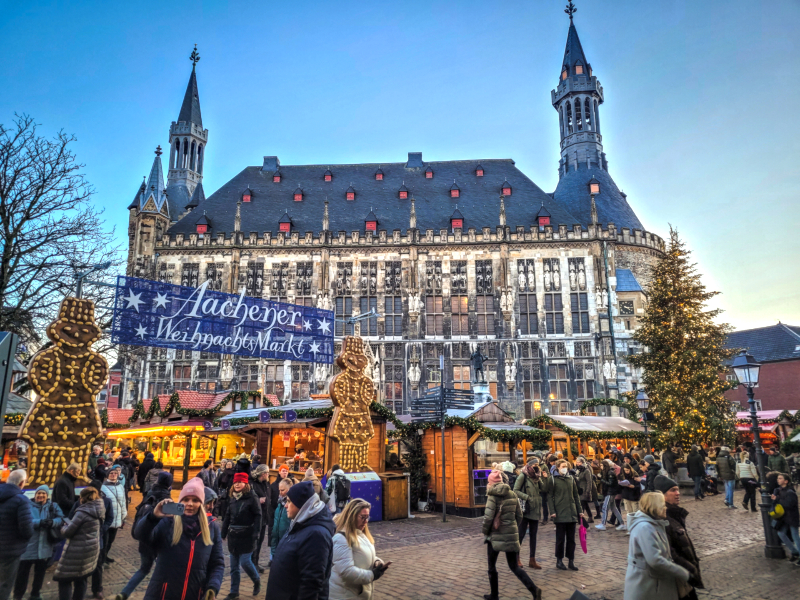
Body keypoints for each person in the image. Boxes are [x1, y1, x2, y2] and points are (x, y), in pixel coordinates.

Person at [134, 478, 224, 600]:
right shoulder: (167, 522)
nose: (190, 504)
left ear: (202, 503)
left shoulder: (212, 528)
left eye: (195, 500)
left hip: (195, 594)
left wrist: (212, 588)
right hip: (162, 594)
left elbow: (217, 563)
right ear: (179, 502)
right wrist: (152, 517)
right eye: (186, 499)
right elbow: (141, 535)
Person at [265, 480, 335, 600]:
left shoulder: (316, 535)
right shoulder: (300, 523)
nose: (286, 505)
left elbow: (311, 584)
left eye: (289, 501)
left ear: (302, 505)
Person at [481, 471, 541, 600]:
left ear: (491, 482)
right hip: (511, 534)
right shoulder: (512, 494)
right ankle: (534, 590)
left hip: (495, 535)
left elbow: (488, 518)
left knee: (492, 566)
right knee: (514, 566)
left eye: (488, 482)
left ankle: (494, 595)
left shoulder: (492, 496)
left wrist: (486, 532)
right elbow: (519, 515)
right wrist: (512, 527)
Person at [116, 472, 173, 600]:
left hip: (145, 541)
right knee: (161, 572)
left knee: (144, 569)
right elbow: (170, 523)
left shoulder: (149, 494)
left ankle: (125, 592)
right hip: (160, 542)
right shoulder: (167, 500)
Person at [624, 491, 690, 600]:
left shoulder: (655, 524)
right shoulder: (645, 527)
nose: (665, 508)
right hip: (648, 586)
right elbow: (655, 559)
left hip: (655, 583)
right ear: (655, 507)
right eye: (663, 505)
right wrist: (681, 572)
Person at [655, 476, 703, 600]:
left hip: (684, 579)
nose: (678, 493)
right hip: (678, 580)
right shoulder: (663, 519)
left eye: (678, 489)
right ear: (662, 495)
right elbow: (670, 553)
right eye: (673, 490)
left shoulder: (674, 515)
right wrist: (689, 569)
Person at [329, 499, 388, 600]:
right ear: (352, 516)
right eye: (362, 517)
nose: (366, 521)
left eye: (367, 517)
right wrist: (372, 575)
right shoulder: (341, 538)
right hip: (345, 595)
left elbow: (361, 554)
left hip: (355, 594)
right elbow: (347, 571)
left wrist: (376, 562)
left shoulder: (360, 533)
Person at [14, 484, 65, 600]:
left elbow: (61, 518)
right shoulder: (27, 505)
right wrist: (40, 522)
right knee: (23, 573)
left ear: (47, 495)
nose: (41, 495)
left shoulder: (53, 506)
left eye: (43, 494)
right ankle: (18, 595)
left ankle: (35, 594)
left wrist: (52, 522)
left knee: (40, 573)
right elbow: (24, 521)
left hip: (45, 546)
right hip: (28, 546)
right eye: (39, 493)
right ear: (35, 494)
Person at [54, 487, 106, 600]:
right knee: (82, 578)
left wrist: (64, 527)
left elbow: (68, 532)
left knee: (64, 579)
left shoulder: (82, 512)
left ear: (82, 498)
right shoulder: (99, 510)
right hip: (91, 549)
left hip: (76, 550)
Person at [221, 472, 261, 599]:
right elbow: (227, 515)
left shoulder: (252, 498)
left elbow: (258, 516)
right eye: (236, 482)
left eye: (240, 482)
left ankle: (256, 580)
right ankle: (234, 591)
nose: (237, 484)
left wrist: (256, 532)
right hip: (233, 535)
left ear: (246, 483)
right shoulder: (233, 498)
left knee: (245, 562)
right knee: (233, 566)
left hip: (247, 535)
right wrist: (223, 530)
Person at [544, 459, 584, 571]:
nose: (564, 467)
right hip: (560, 513)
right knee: (560, 539)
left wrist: (579, 510)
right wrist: (552, 511)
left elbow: (575, 495)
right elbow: (549, 497)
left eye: (566, 466)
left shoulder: (571, 478)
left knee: (571, 539)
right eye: (562, 466)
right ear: (557, 467)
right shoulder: (553, 479)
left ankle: (571, 560)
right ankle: (559, 560)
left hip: (571, 513)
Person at [0, 470, 33, 600]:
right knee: (5, 584)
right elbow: (26, 528)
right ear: (21, 483)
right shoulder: (21, 500)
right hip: (10, 549)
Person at [513, 458, 547, 570]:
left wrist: (541, 477)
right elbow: (515, 490)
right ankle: (516, 558)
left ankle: (532, 559)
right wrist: (527, 497)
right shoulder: (523, 475)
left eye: (537, 465)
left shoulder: (536, 476)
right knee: (521, 535)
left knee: (533, 536)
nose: (536, 466)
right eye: (534, 465)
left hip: (536, 509)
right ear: (529, 465)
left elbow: (544, 489)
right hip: (525, 510)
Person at [88, 480, 114, 600]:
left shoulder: (106, 501)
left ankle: (97, 589)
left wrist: (103, 528)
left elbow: (110, 517)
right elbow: (73, 515)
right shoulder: (82, 500)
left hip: (100, 538)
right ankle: (80, 589)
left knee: (98, 565)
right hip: (85, 538)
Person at [101, 466, 127, 564]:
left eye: (115, 473)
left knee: (111, 540)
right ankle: (101, 559)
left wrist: (124, 513)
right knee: (105, 540)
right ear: (108, 475)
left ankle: (105, 555)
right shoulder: (103, 487)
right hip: (107, 518)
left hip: (118, 518)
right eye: (111, 473)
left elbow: (123, 501)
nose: (113, 475)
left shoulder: (120, 486)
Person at [771, 473, 800, 561]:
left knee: (795, 536)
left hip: (791, 517)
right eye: (778, 478)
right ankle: (794, 551)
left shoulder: (790, 492)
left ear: (786, 481)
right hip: (783, 517)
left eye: (780, 478)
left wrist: (777, 499)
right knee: (781, 533)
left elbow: (789, 504)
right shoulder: (778, 490)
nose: (778, 480)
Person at [249, 465, 272, 573]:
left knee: (260, 541)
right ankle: (252, 564)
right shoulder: (252, 484)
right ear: (263, 474)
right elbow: (248, 499)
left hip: (264, 517)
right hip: (255, 517)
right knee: (255, 541)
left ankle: (255, 563)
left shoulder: (266, 484)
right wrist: (258, 500)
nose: (268, 475)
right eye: (267, 473)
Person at [596, 459, 625, 531]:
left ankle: (603, 524)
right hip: (610, 492)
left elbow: (610, 483)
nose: (601, 467)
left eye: (602, 465)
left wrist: (602, 480)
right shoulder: (607, 472)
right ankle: (622, 523)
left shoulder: (610, 473)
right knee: (614, 508)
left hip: (610, 493)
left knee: (605, 508)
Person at [271, 478, 293, 564]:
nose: (280, 492)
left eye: (282, 490)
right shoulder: (279, 502)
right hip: (276, 535)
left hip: (286, 537)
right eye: (279, 490)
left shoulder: (292, 504)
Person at [620, 463, 643, 530]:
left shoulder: (635, 475)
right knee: (628, 513)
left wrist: (634, 486)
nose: (627, 472)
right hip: (626, 496)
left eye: (628, 470)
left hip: (634, 496)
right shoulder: (622, 476)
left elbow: (639, 486)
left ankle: (636, 528)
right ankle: (630, 528)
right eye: (625, 470)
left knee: (635, 512)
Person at [574, 457, 595, 524]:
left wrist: (588, 491)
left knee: (582, 504)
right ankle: (590, 517)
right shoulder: (577, 470)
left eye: (579, 462)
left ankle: (580, 519)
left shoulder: (586, 470)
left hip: (585, 489)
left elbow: (589, 481)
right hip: (579, 490)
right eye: (577, 462)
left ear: (582, 463)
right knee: (585, 504)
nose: (578, 464)